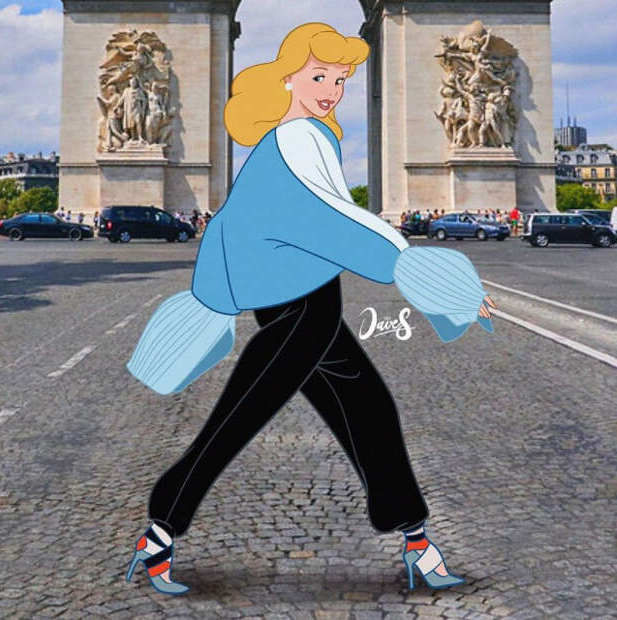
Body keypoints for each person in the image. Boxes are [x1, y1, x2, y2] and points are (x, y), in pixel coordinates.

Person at [125, 22, 496, 596]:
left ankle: (417, 541)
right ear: (287, 78)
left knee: (369, 408)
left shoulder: (300, 137)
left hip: (307, 299)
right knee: (243, 413)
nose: (332, 90)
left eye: (341, 80)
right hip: (296, 305)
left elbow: (244, 226)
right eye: (319, 76)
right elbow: (334, 219)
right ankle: (160, 530)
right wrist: (439, 282)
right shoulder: (297, 136)